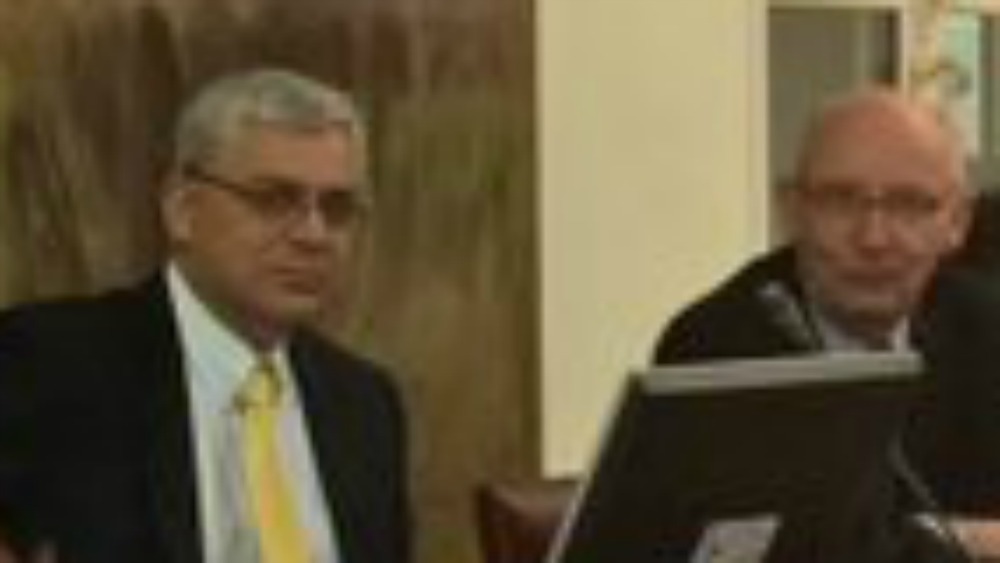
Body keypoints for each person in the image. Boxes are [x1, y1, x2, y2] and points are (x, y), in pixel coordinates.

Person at [0, 69, 411, 563]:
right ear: (182, 209)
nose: (313, 235)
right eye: (274, 200)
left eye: (337, 207)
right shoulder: (47, 364)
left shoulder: (364, 404)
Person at [653, 87, 1000, 561]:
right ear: (791, 211)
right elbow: (788, 549)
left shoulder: (984, 325)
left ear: (958, 223)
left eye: (909, 204)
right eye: (840, 200)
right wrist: (958, 540)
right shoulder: (717, 345)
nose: (873, 238)